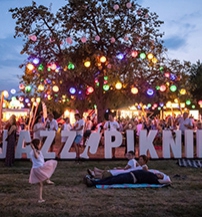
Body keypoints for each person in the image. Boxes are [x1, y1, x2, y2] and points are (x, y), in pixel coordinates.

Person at [29, 138, 57, 203]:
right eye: (40, 144)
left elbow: (32, 159)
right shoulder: (35, 151)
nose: (40, 145)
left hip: (35, 169)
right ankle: (47, 180)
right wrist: (34, 149)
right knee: (49, 167)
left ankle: (40, 199)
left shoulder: (33, 152)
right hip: (39, 168)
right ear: (36, 145)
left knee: (40, 185)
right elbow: (36, 157)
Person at [84, 169, 171, 187]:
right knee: (111, 178)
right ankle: (94, 180)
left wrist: (166, 180)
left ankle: (93, 183)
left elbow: (167, 181)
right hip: (129, 174)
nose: (159, 174)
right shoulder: (152, 173)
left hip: (131, 178)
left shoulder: (154, 180)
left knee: (112, 181)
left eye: (161, 175)